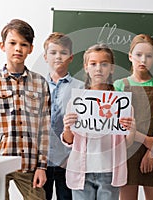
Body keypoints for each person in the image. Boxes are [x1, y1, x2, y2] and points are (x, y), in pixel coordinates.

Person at [0, 19, 51, 200]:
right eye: (13, 43)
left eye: (24, 44)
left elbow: (44, 129)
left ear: (31, 49)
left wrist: (42, 166)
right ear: (3, 46)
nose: (18, 49)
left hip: (30, 163)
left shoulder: (40, 83)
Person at [61, 43, 136, 200]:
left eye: (104, 64)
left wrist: (131, 130)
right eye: (93, 64)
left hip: (109, 171)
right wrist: (67, 128)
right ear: (86, 67)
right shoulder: (77, 101)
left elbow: (127, 143)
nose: (98, 69)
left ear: (112, 68)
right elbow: (69, 141)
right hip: (82, 171)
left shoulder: (121, 103)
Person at [114, 34, 153, 200]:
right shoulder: (120, 85)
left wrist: (152, 151)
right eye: (138, 55)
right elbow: (117, 123)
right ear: (130, 56)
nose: (143, 60)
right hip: (127, 150)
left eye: (149, 56)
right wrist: (145, 140)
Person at [43, 32, 84, 200]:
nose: (58, 57)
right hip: (41, 161)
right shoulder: (37, 85)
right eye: (53, 53)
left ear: (71, 57)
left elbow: (83, 127)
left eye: (63, 52)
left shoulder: (81, 89)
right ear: (45, 57)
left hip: (67, 161)